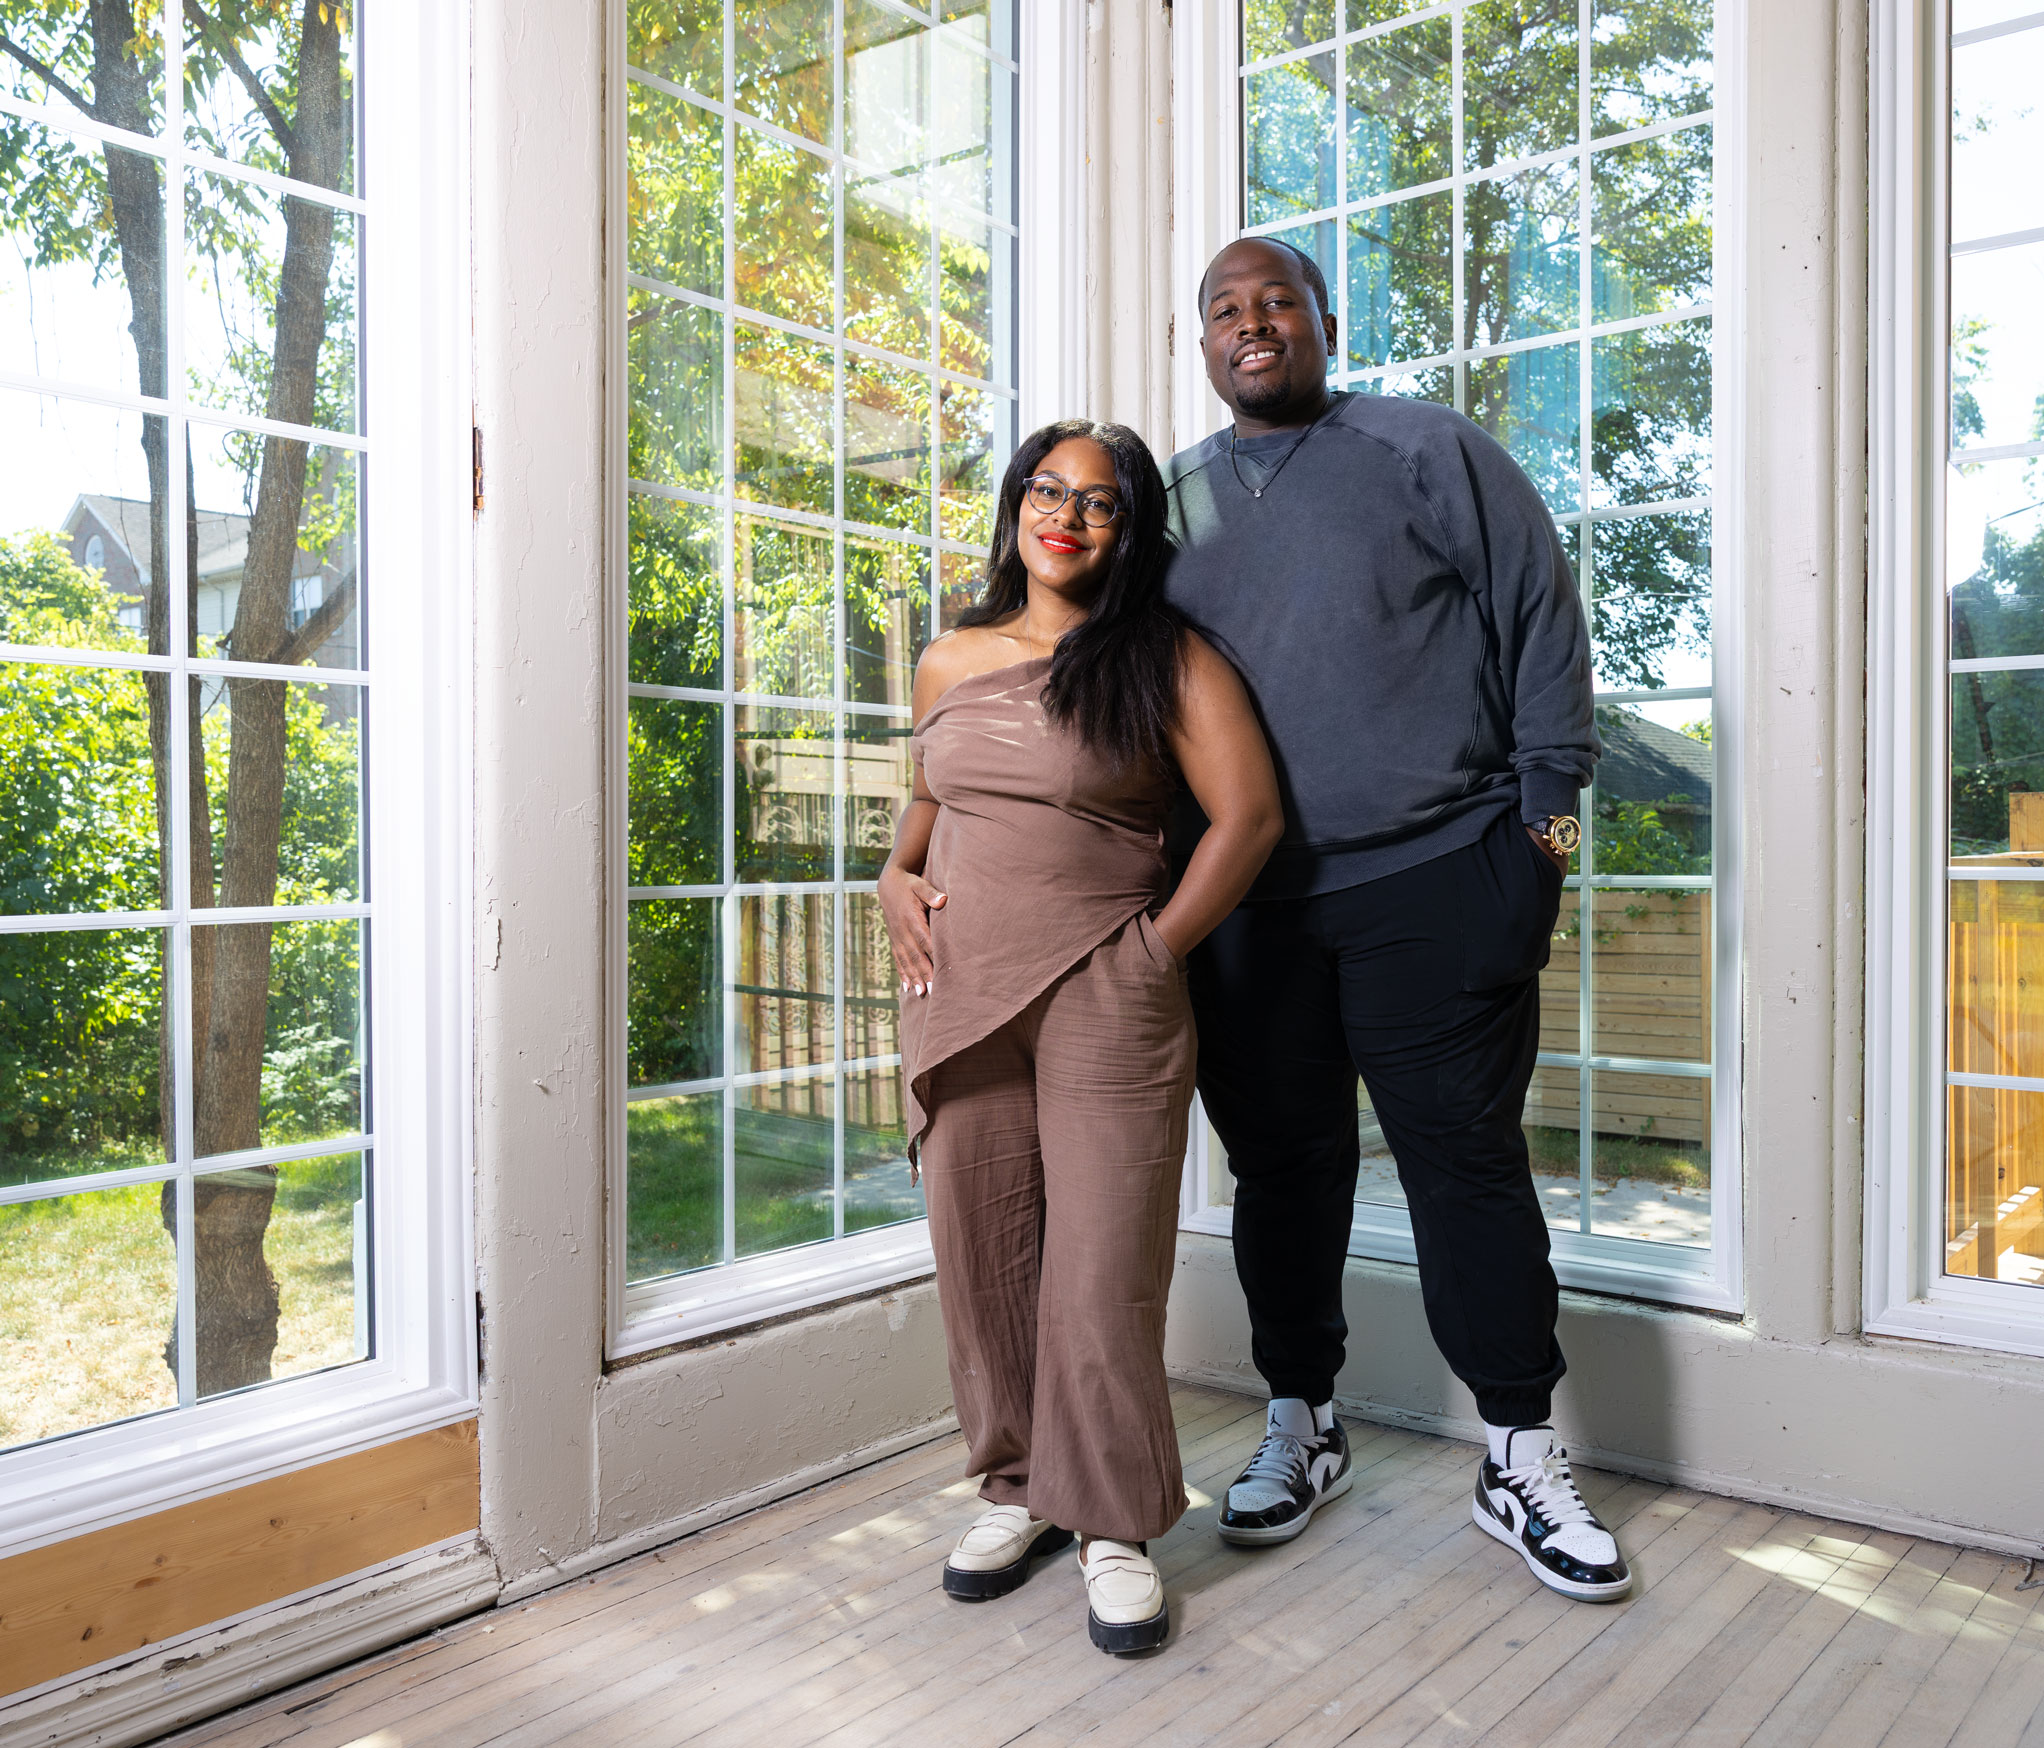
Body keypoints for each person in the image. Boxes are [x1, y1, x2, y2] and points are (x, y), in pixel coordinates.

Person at [1161, 237, 1630, 1603]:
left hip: (1438, 873)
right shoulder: (1176, 503)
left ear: (1323, 320)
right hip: (1255, 906)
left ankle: (1518, 1455)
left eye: (1278, 303)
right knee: (1285, 1174)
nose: (1254, 325)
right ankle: (1303, 1425)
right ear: (1205, 345)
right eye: (1225, 312)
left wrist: (1543, 826)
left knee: (1463, 1165)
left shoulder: (1426, 448)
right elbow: (1123, 688)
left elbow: (1538, 613)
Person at [880, 419, 1282, 1654]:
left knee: (1101, 1269)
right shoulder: (948, 659)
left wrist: (1153, 950)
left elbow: (1250, 817)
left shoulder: (1163, 658)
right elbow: (932, 803)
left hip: (1105, 989)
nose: (1065, 514)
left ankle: (1112, 1520)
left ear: (1128, 528)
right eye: (1046, 490)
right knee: (984, 1254)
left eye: (1098, 502)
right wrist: (891, 875)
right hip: (962, 988)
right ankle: (1019, 1488)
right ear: (1013, 506)